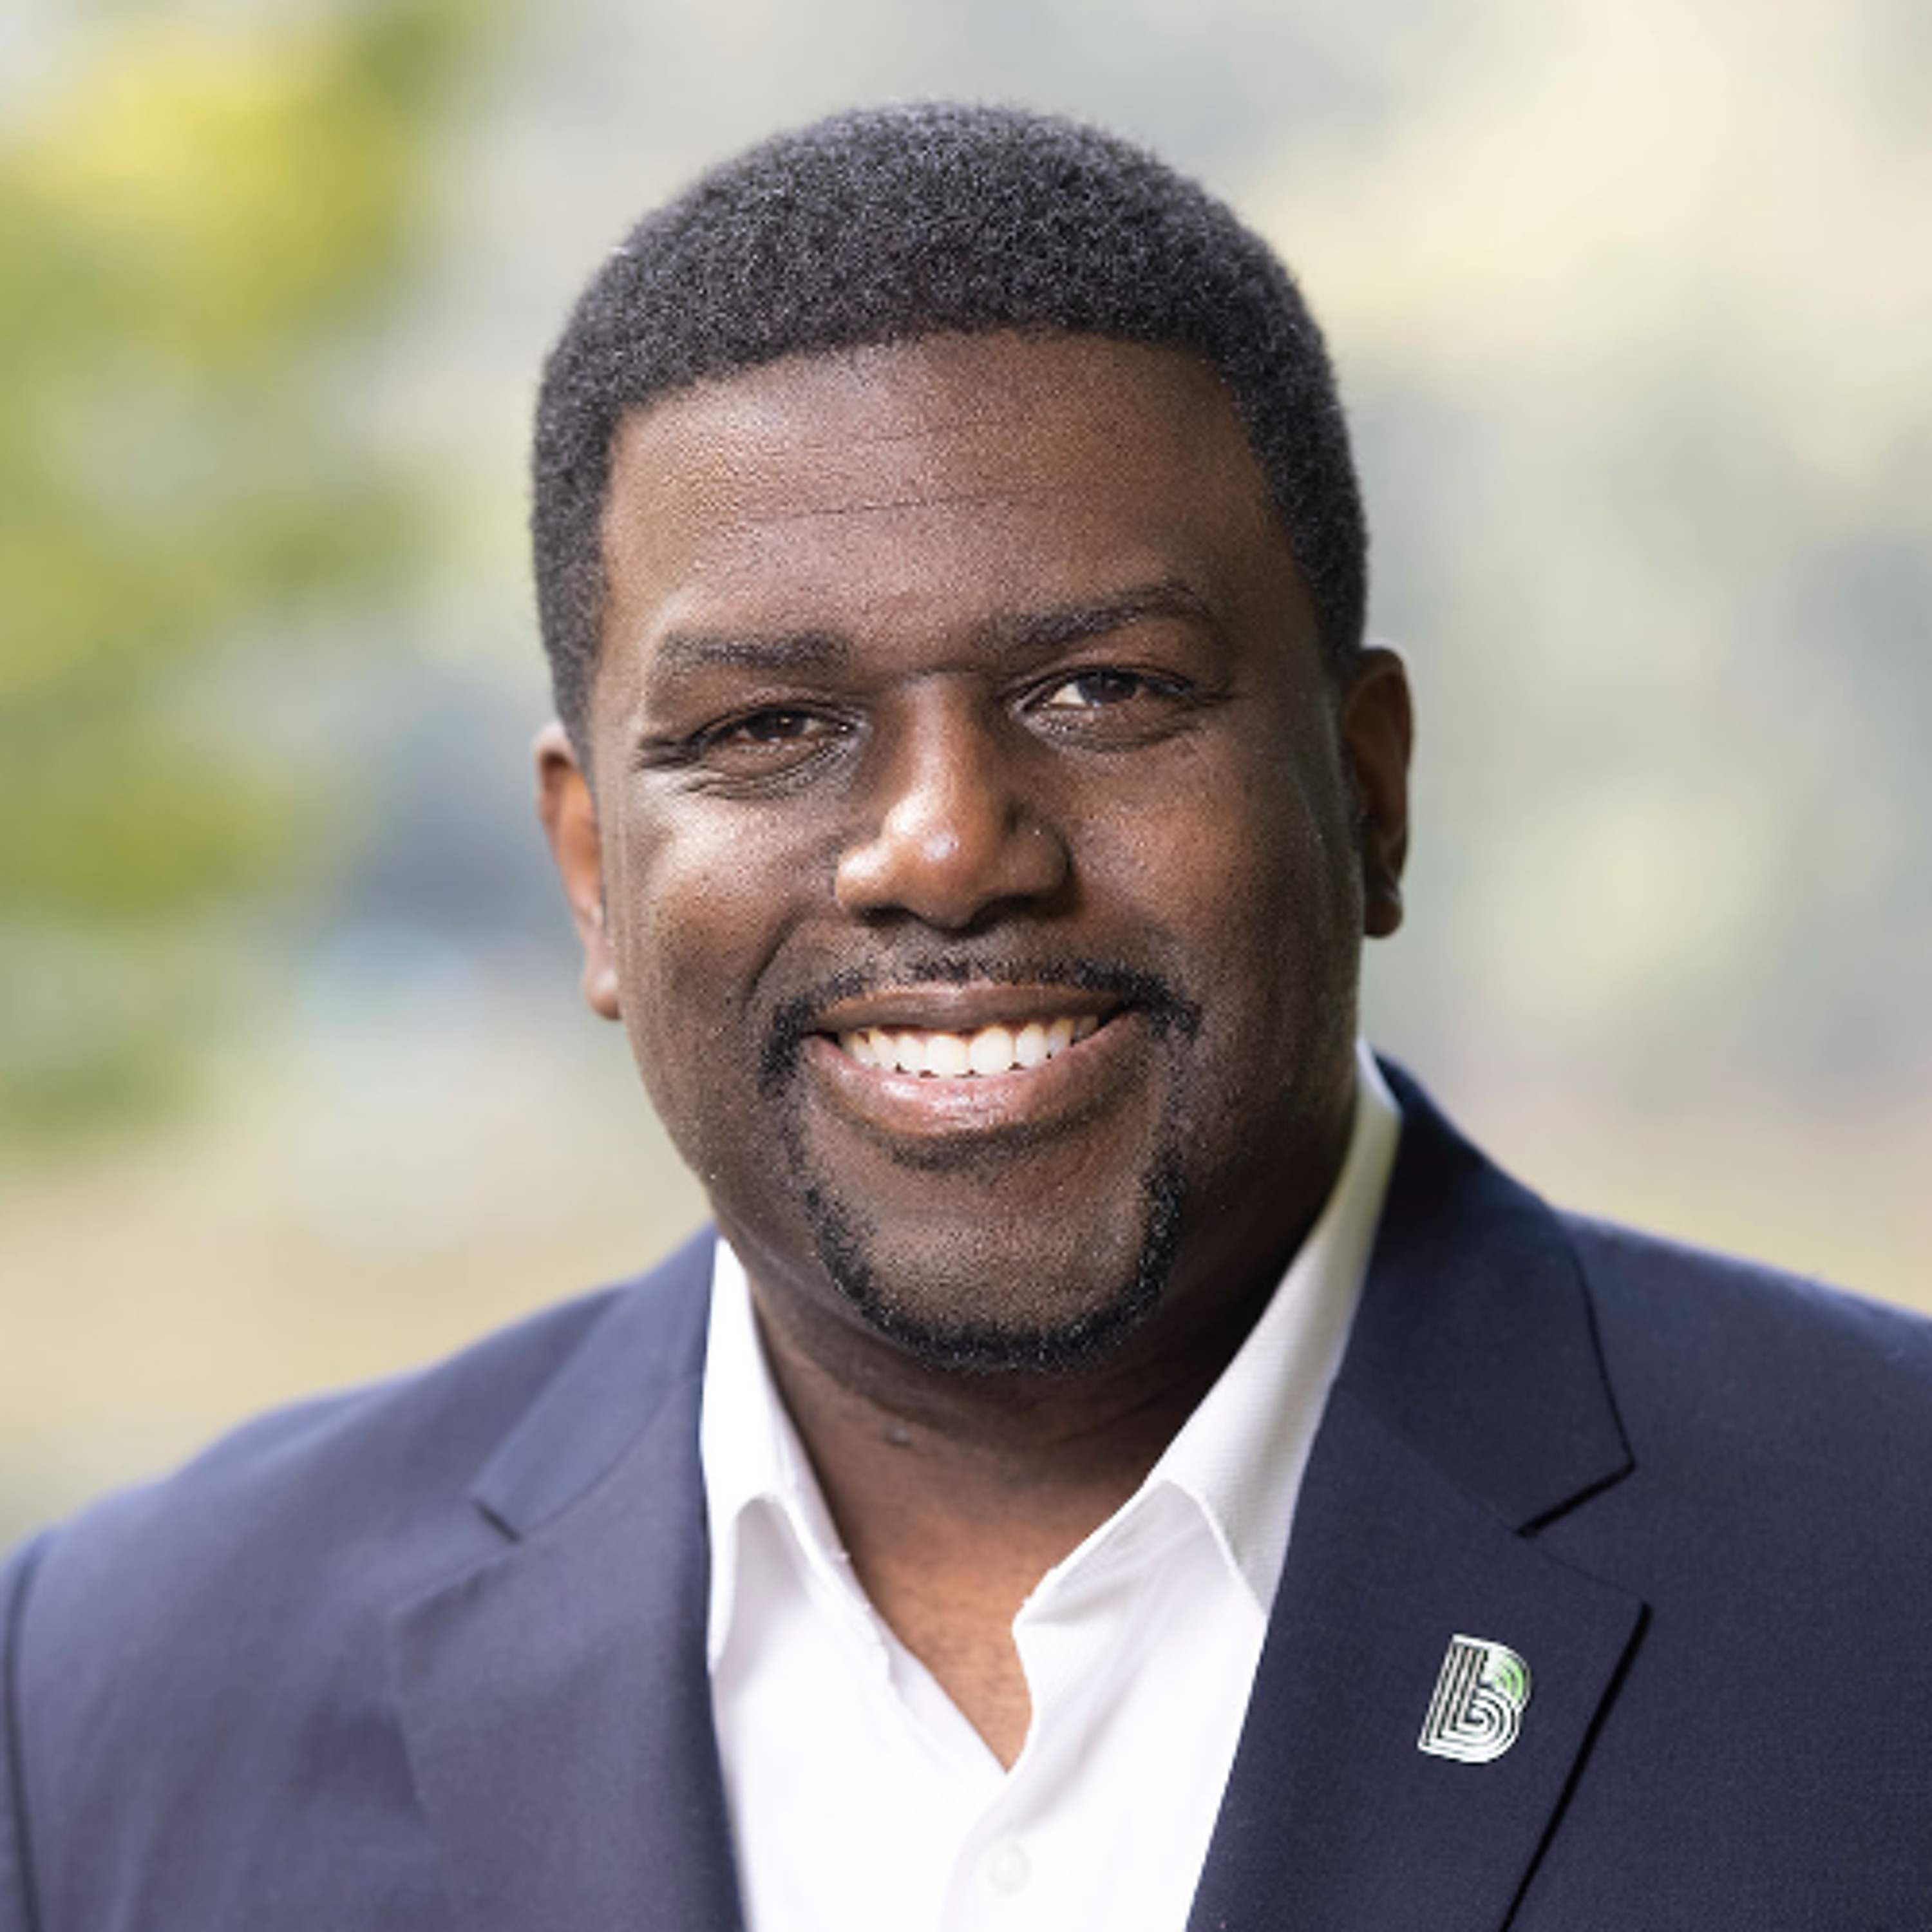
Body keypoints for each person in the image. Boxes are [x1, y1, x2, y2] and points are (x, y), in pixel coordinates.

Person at [3, 103, 1929, 1932]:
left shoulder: (1887, 1563)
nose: (942, 846)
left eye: (1104, 691)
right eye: (770, 727)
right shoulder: (115, 1692)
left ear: (1368, 791)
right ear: (592, 873)